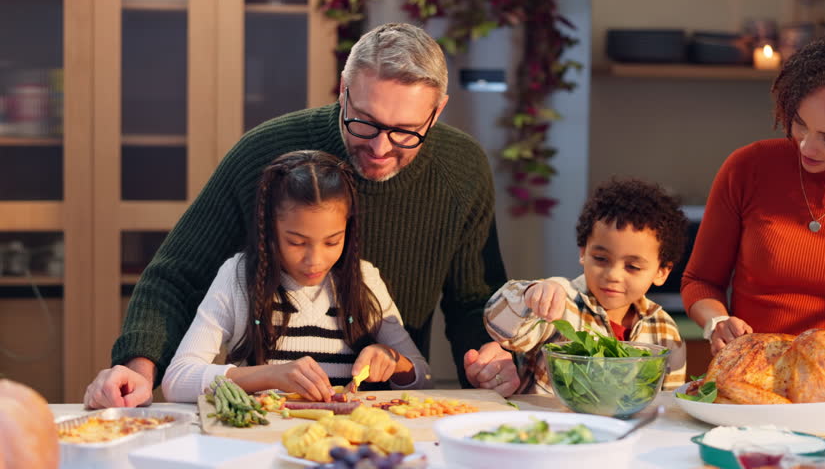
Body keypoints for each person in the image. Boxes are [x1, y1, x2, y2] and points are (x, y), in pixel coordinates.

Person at [83, 22, 518, 409]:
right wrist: (137, 373)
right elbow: (176, 275)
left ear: (437, 111)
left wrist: (491, 359)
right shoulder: (266, 153)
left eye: (405, 132)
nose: (381, 148)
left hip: (380, 415)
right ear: (343, 90)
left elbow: (473, 301)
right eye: (364, 122)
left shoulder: (462, 170)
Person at [682, 29, 825, 355]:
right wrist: (716, 321)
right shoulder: (748, 167)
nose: (806, 145)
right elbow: (699, 281)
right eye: (800, 123)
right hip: (751, 369)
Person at [161, 151, 431, 402]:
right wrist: (267, 376)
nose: (315, 260)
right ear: (270, 231)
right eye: (297, 242)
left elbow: (422, 377)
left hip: (350, 446)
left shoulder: (364, 280)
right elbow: (176, 380)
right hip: (260, 444)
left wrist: (392, 359)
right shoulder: (239, 277)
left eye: (332, 242)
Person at [484, 179, 689, 394]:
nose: (613, 275)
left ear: (661, 272)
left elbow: (667, 403)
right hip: (552, 425)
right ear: (583, 252)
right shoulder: (558, 302)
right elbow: (500, 326)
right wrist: (529, 294)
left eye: (633, 266)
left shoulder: (666, 332)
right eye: (601, 258)